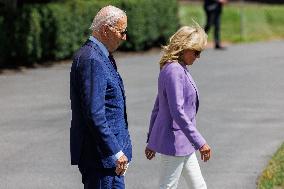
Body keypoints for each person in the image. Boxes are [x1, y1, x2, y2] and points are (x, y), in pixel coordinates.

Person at [70, 5, 132, 189]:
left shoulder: (100, 56)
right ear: (106, 30)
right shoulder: (92, 59)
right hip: (102, 160)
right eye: (122, 32)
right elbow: (94, 114)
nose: (125, 37)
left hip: (108, 161)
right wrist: (115, 151)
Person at [145, 24, 211, 189]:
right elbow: (177, 112)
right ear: (184, 48)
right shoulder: (174, 70)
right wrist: (200, 142)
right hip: (174, 142)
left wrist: (151, 140)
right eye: (196, 52)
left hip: (184, 143)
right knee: (167, 186)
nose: (198, 57)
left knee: (199, 186)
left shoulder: (178, 68)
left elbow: (158, 106)